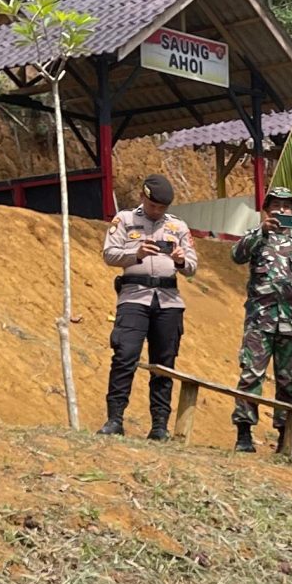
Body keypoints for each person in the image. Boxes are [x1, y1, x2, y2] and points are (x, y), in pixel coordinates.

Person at [229, 186, 292, 453]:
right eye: (276, 205)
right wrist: (261, 232)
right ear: (267, 210)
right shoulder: (258, 236)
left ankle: (285, 439)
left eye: (287, 206)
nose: (281, 210)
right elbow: (236, 255)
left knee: (288, 381)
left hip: (291, 323)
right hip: (259, 321)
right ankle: (244, 435)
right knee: (251, 375)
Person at [101, 173, 199, 438]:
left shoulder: (178, 226)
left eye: (162, 207)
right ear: (142, 197)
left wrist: (180, 260)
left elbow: (192, 266)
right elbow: (109, 254)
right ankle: (115, 419)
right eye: (153, 205)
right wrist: (136, 254)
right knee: (125, 355)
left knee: (164, 363)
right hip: (134, 296)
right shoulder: (124, 220)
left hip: (169, 301)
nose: (157, 211)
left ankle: (159, 426)